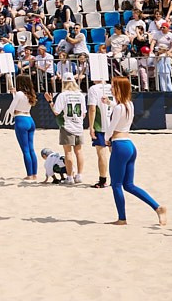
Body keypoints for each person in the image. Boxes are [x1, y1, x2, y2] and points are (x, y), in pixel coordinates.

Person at [104, 77, 165, 227]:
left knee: (116, 184)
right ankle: (157, 207)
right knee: (129, 185)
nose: (111, 89)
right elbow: (120, 111)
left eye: (113, 87)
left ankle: (122, 218)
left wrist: (106, 139)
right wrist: (109, 103)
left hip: (119, 145)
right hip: (130, 145)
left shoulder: (119, 107)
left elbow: (111, 127)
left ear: (119, 88)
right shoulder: (128, 104)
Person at [52, 76, 89, 184]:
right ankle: (79, 175)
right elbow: (84, 113)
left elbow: (56, 112)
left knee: (68, 152)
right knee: (79, 151)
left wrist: (50, 102)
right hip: (78, 125)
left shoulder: (62, 95)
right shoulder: (80, 95)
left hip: (67, 125)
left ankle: (69, 177)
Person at [85, 74, 114, 188]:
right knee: (114, 154)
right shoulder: (112, 87)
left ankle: (102, 180)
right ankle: (116, 179)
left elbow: (92, 108)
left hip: (100, 125)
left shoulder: (94, 89)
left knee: (102, 154)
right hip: (113, 124)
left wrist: (91, 126)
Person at [7, 83, 38, 180]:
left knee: (25, 150)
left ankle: (29, 174)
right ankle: (34, 174)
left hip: (21, 120)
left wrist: (13, 112)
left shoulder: (19, 94)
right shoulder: (29, 94)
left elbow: (11, 109)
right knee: (31, 148)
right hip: (30, 118)